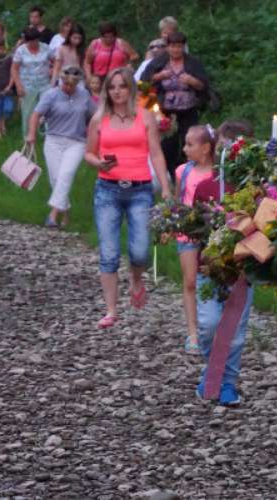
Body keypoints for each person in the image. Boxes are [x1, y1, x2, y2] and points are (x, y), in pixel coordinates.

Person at [83, 67, 172, 329]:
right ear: (106, 91)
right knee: (109, 252)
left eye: (122, 86)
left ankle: (136, 278)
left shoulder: (145, 117)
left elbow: (155, 153)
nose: (117, 91)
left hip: (140, 188)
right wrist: (99, 163)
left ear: (130, 89)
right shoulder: (99, 119)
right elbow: (88, 152)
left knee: (140, 249)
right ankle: (111, 310)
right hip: (108, 188)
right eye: (112, 87)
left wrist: (165, 186)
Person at [191, 120, 254, 407]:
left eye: (235, 149)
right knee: (208, 324)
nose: (227, 154)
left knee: (235, 332)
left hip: (241, 271)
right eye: (223, 148)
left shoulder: (254, 192)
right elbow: (194, 230)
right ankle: (211, 370)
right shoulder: (206, 187)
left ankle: (227, 382)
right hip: (210, 268)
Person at [25, 65, 95, 228]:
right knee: (56, 180)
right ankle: (66, 213)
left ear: (77, 83)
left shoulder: (84, 95)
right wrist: (31, 134)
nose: (69, 87)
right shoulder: (51, 95)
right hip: (54, 140)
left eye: (72, 85)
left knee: (66, 175)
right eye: (66, 84)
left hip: (77, 142)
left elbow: (96, 114)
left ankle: (52, 215)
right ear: (61, 81)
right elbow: (36, 115)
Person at [173, 125, 219, 355]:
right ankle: (193, 331)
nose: (185, 149)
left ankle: (211, 324)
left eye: (190, 144)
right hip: (187, 233)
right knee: (190, 281)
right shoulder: (183, 171)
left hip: (211, 235)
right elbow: (179, 200)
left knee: (209, 280)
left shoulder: (218, 174)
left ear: (206, 148)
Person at [140, 31, 209, 178]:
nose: (176, 50)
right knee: (167, 146)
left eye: (179, 46)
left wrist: (192, 81)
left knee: (190, 143)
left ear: (183, 47)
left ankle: (190, 175)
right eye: (172, 46)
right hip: (165, 112)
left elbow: (204, 86)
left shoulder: (193, 63)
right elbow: (142, 84)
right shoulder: (158, 62)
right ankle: (172, 176)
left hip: (189, 110)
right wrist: (158, 77)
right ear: (168, 47)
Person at [12, 27, 54, 139]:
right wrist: (18, 85)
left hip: (45, 84)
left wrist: (52, 70)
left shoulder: (46, 48)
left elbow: (56, 61)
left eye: (35, 40)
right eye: (30, 41)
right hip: (27, 85)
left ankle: (48, 135)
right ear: (26, 40)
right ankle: (28, 136)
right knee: (28, 112)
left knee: (47, 110)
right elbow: (14, 68)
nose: (34, 43)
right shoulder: (21, 50)